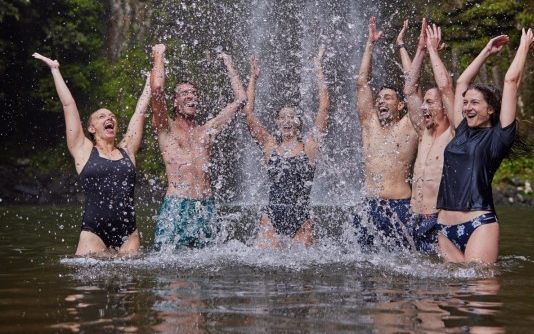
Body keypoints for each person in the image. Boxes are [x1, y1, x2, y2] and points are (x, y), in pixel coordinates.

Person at [32, 53, 151, 256]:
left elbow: (139, 112)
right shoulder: (83, 149)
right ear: (92, 128)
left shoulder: (127, 149)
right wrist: (55, 70)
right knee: (87, 287)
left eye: (112, 116)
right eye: (102, 116)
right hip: (93, 233)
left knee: (131, 286)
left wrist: (150, 81)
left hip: (129, 234)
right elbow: (69, 106)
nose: (109, 118)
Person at [436, 28, 534, 264]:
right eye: (465, 103)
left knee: (481, 293)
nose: (467, 107)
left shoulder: (498, 137)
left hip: (479, 223)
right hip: (445, 228)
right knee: (455, 294)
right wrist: (487, 51)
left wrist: (523, 47)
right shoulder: (461, 129)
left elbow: (511, 81)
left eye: (474, 103)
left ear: (490, 109)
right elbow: (461, 81)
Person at [150, 44, 247, 250]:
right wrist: (158, 56)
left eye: (193, 93)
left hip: (205, 206)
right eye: (184, 93)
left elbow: (241, 100)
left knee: (206, 272)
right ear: (175, 102)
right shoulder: (166, 128)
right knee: (169, 270)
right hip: (177, 206)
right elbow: (157, 90)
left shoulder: (207, 132)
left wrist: (229, 66)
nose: (190, 96)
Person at [243, 46, 330, 247]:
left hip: (301, 219)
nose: (287, 121)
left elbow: (325, 107)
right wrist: (253, 79)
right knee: (264, 272)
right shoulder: (269, 146)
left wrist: (318, 68)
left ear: (298, 122)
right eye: (282, 117)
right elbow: (248, 113)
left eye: (291, 116)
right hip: (272, 217)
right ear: (277, 123)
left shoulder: (309, 147)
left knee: (302, 272)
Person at [355, 17, 418, 250]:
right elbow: (362, 83)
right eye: (379, 98)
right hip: (369, 206)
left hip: (400, 205)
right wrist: (370, 45)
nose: (381, 101)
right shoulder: (369, 124)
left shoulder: (409, 125)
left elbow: (412, 86)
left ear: (400, 105)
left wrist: (401, 46)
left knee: (400, 268)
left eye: (388, 98)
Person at [403, 19, 454, 253]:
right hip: (414, 216)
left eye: (430, 102)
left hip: (438, 218)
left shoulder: (454, 134)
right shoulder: (423, 133)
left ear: (444, 107)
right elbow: (409, 90)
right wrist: (421, 50)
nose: (423, 107)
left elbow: (446, 88)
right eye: (424, 102)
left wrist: (434, 51)